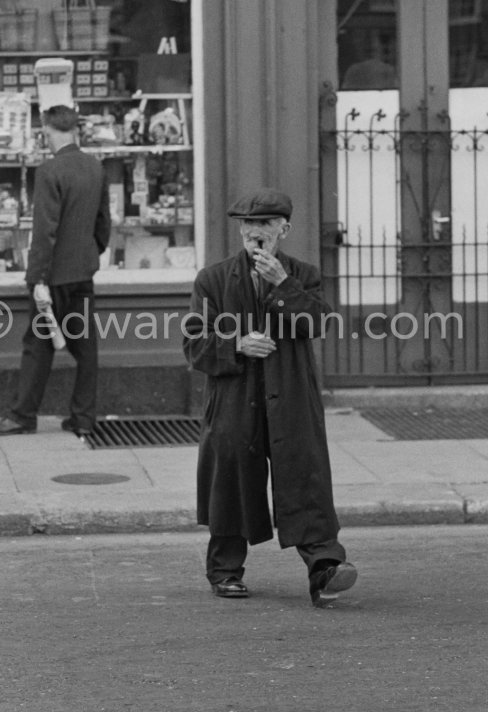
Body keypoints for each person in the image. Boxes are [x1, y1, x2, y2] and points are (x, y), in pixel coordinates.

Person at [183, 188, 357, 607]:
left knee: (304, 478)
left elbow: (318, 323)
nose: (255, 232)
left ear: (284, 229)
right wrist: (237, 344)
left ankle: (325, 568)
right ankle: (225, 570)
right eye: (248, 224)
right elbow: (193, 342)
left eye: (264, 224)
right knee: (231, 481)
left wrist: (282, 284)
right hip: (234, 398)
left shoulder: (303, 274)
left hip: (291, 397)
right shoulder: (213, 278)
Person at [0, 105, 111, 437]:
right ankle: (83, 418)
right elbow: (103, 224)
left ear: (47, 130)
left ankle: (22, 415)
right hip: (83, 272)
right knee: (85, 347)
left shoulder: (49, 171)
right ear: (75, 131)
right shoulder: (96, 168)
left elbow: (45, 232)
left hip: (52, 276)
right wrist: (90, 254)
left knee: (38, 345)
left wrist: (35, 276)